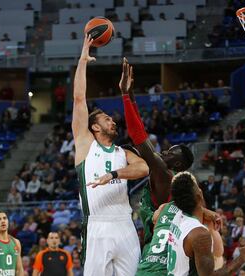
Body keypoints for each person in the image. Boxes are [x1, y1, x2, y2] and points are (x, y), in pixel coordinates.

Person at [72, 35, 149, 275]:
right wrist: (83, 60)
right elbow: (78, 99)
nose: (113, 121)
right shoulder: (86, 145)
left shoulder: (123, 152)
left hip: (125, 223)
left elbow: (144, 168)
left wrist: (113, 174)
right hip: (97, 225)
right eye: (107, 119)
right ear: (95, 127)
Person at [119, 58, 195, 274]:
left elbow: (137, 136)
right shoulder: (163, 171)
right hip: (156, 245)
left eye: (170, 152)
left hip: (160, 252)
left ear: (178, 163)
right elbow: (142, 132)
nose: (164, 151)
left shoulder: (164, 174)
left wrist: (124, 96)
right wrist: (131, 94)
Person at [167, 171, 245, 275]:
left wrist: (207, 212)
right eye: (198, 187)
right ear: (199, 195)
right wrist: (242, 258)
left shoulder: (175, 217)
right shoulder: (199, 234)